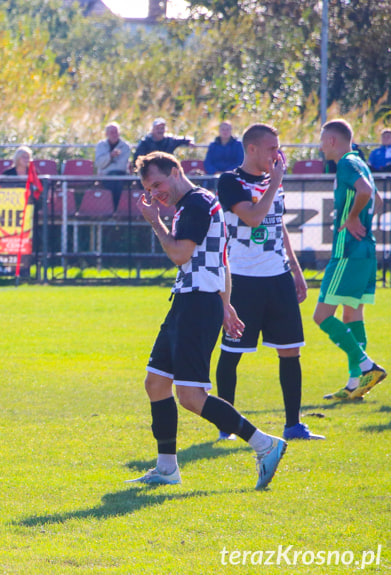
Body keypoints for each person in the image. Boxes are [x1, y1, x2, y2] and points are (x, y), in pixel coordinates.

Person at [130, 151, 286, 489]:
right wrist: (226, 305)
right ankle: (167, 469)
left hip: (196, 304)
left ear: (176, 170)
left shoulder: (196, 204)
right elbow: (221, 261)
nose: (156, 193)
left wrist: (154, 220)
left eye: (157, 184)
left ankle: (264, 444)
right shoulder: (197, 204)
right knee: (156, 383)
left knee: (190, 396)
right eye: (149, 188)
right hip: (190, 300)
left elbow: (180, 254)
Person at [214, 123, 322, 441]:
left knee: (290, 351)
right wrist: (274, 183)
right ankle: (227, 425)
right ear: (252, 149)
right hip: (243, 280)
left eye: (278, 147)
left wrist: (296, 270)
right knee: (232, 353)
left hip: (278, 278)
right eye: (271, 148)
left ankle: (294, 425)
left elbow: (278, 225)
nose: (277, 154)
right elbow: (253, 217)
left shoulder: (272, 181)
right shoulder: (230, 181)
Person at [314, 119, 386, 400]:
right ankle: (356, 384)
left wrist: (353, 217)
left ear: (332, 141)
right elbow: (377, 200)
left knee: (322, 316)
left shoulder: (346, 162)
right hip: (365, 251)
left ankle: (369, 367)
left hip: (348, 252)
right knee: (352, 314)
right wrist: (361, 215)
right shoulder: (360, 161)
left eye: (322, 141)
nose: (320, 147)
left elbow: (367, 193)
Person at [94, 122, 132, 207]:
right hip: (105, 175)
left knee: (117, 182)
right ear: (106, 134)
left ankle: (115, 208)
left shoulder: (125, 146)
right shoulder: (101, 146)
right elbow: (99, 164)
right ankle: (110, 208)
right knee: (112, 181)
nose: (114, 134)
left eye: (116, 132)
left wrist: (106, 163)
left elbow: (122, 165)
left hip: (121, 175)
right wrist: (110, 156)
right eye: (112, 132)